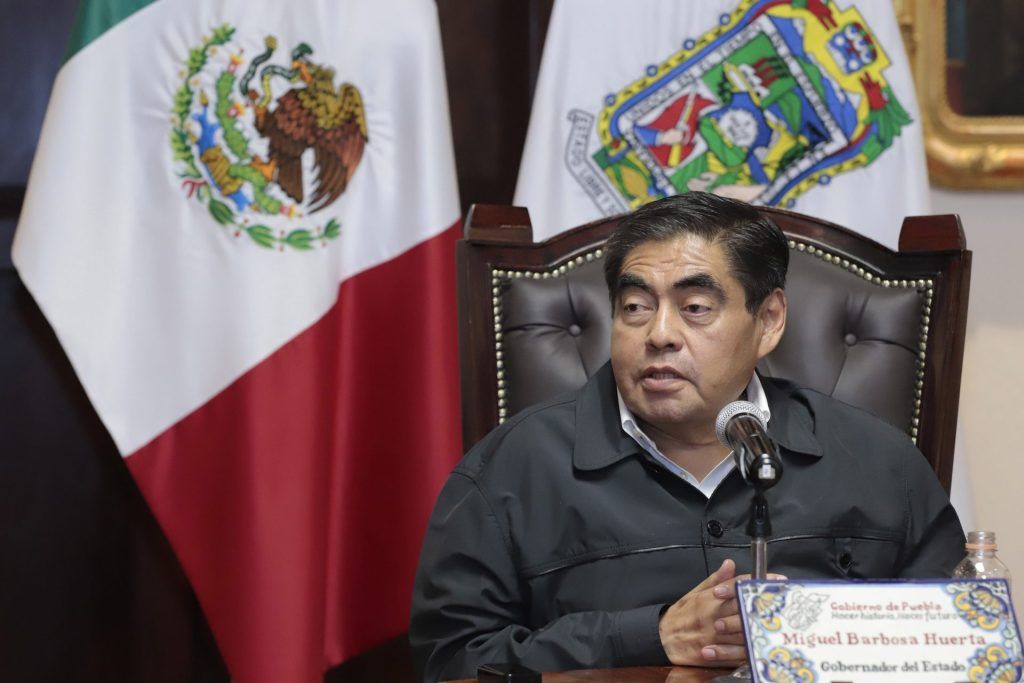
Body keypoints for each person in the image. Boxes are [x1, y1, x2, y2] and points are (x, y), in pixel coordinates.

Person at [409, 192, 964, 682]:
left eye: (695, 308)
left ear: (769, 320)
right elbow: (452, 662)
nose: (659, 334)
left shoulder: (877, 463)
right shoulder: (512, 470)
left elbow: (959, 646)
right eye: (635, 308)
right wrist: (645, 636)